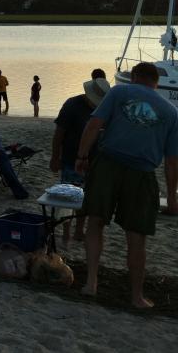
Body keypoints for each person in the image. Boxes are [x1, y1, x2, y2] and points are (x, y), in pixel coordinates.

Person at [76, 62, 178, 308]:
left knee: (95, 222)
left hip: (108, 164)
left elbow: (94, 125)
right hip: (143, 174)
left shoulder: (119, 92)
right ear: (155, 82)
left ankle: (91, 283)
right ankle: (137, 297)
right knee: (136, 237)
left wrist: (82, 156)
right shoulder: (172, 111)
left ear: (133, 77)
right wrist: (173, 199)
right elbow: (172, 161)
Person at [49, 69, 109, 243]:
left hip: (95, 162)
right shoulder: (72, 105)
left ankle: (79, 230)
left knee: (86, 199)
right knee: (68, 197)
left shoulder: (105, 108)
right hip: (70, 159)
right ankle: (67, 231)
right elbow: (59, 133)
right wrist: (55, 157)